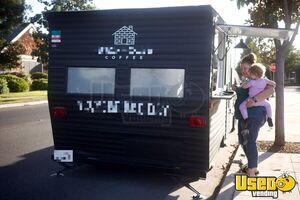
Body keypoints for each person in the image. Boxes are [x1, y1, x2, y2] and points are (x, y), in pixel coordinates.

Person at [232, 53, 275, 177]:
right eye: (242, 69)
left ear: (253, 67)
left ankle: (252, 170)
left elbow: (271, 89)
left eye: (245, 68)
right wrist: (237, 89)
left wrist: (254, 100)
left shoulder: (259, 77)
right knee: (243, 140)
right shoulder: (248, 79)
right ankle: (252, 166)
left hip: (254, 115)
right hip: (244, 116)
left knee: (249, 141)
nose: (243, 71)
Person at [239, 63, 276, 133]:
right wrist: (268, 84)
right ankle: (270, 118)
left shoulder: (252, 82)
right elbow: (274, 84)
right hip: (262, 101)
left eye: (251, 74)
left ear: (255, 74)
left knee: (241, 106)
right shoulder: (265, 80)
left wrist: (244, 83)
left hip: (251, 100)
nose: (250, 75)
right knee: (268, 105)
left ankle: (246, 119)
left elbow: (244, 87)